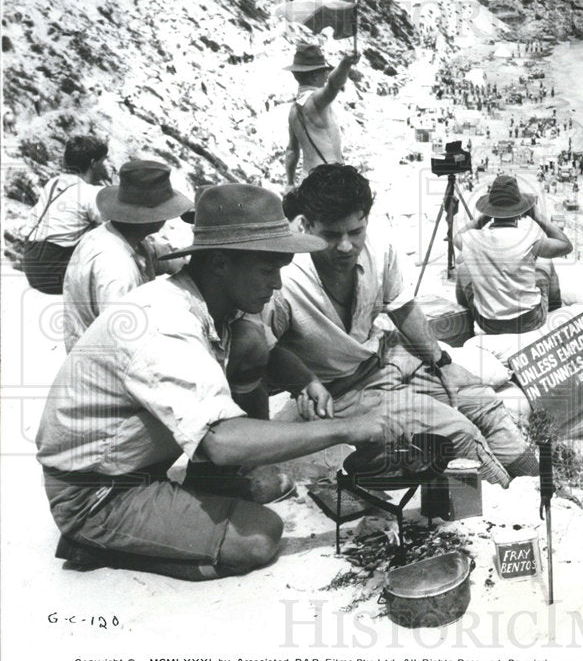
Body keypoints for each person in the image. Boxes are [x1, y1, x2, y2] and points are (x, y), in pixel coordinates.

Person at [36, 183, 388, 581]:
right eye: (267, 269)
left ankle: (214, 485)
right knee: (259, 538)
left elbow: (265, 350)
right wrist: (345, 428)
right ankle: (90, 541)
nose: (276, 284)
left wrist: (304, 380)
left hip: (135, 467)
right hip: (97, 493)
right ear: (221, 263)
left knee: (252, 342)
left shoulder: (210, 301)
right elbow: (220, 441)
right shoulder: (165, 324)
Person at [268, 165, 540, 486]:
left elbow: (402, 308)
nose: (345, 246)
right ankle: (509, 504)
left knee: (484, 402)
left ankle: (539, 488)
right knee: (460, 434)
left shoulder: (379, 248)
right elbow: (261, 352)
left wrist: (441, 361)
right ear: (305, 225)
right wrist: (303, 383)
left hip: (390, 358)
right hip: (344, 390)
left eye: (355, 232)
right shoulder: (283, 278)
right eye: (331, 235)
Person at [61, 160, 191, 352]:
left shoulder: (116, 236)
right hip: (103, 364)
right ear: (155, 217)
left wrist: (185, 261)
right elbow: (123, 339)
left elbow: (155, 256)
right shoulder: (117, 267)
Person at [455, 175, 572, 336]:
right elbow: (566, 245)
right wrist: (537, 216)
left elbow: (456, 237)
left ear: (490, 210)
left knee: (462, 269)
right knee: (545, 262)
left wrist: (484, 217)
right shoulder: (530, 238)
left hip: (488, 323)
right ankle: (555, 309)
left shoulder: (473, 238)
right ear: (520, 211)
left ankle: (463, 323)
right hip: (530, 320)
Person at [21, 135, 112, 294]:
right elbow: (111, 225)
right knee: (108, 236)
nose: (106, 168)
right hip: (53, 274)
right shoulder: (89, 193)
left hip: (31, 264)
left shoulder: (54, 182)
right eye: (103, 162)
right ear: (93, 163)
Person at [283, 44, 360, 192]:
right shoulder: (316, 101)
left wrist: (290, 182)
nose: (326, 76)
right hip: (329, 181)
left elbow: (291, 151)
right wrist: (346, 62)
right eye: (324, 72)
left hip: (307, 182)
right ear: (314, 76)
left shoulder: (293, 110)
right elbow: (333, 85)